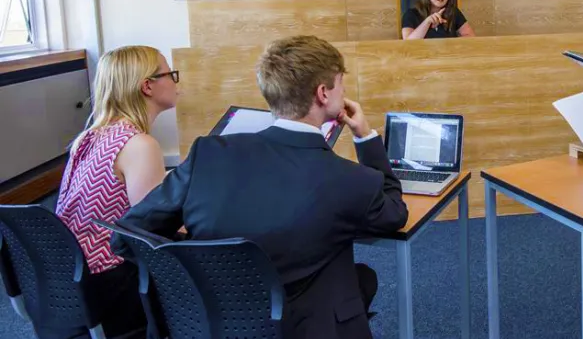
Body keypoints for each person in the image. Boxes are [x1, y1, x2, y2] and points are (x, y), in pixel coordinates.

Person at [111, 35, 409, 339]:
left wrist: (198, 256)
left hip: (206, 325)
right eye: (340, 83)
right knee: (356, 275)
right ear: (323, 93)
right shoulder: (348, 179)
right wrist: (365, 136)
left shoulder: (208, 155)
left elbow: (128, 235)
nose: (343, 90)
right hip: (302, 327)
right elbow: (394, 214)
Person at [50, 45, 177, 339]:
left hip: (72, 275)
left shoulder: (91, 135)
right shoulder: (139, 145)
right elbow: (155, 231)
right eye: (170, 74)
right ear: (147, 86)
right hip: (113, 284)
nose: (175, 81)